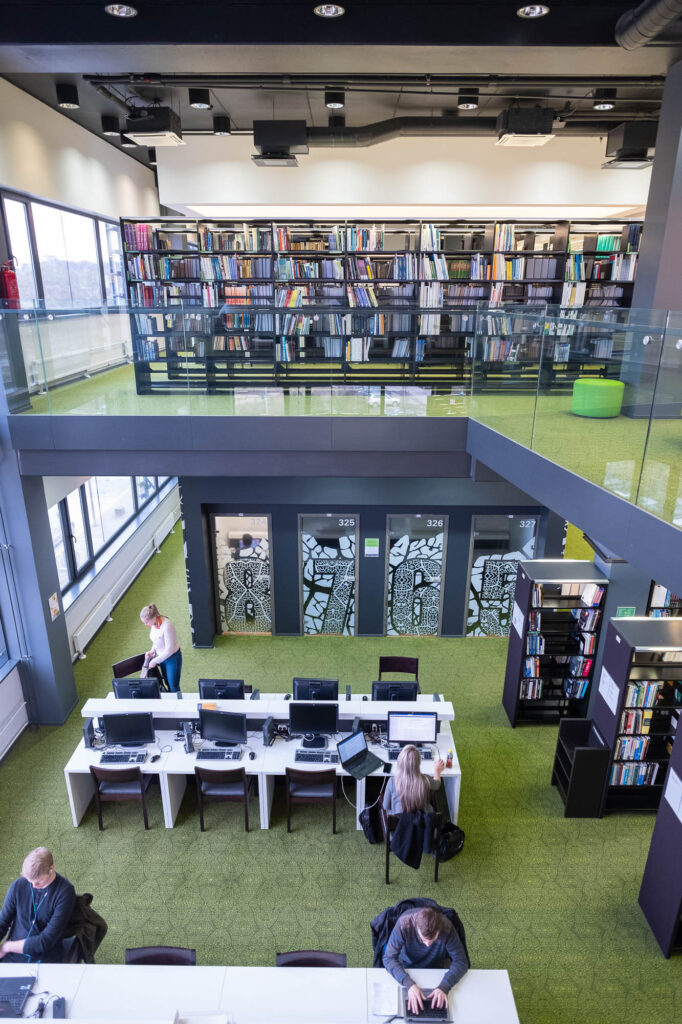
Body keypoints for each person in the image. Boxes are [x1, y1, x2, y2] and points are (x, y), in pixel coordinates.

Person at [383, 906, 469, 1014]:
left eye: (433, 939)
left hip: (436, 967)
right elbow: (389, 958)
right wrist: (408, 984)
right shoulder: (404, 924)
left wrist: (444, 986)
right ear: (416, 928)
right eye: (423, 939)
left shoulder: (446, 928)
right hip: (407, 965)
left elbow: (461, 961)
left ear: (439, 929)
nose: (428, 944)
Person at [0, 848, 76, 964]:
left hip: (45, 957)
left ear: (51, 869)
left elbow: (46, 940)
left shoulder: (65, 892)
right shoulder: (18, 886)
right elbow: (2, 923)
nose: (34, 886)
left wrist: (7, 947)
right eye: (30, 881)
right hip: (14, 956)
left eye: (38, 882)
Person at [383, 744, 445, 815]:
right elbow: (437, 785)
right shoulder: (426, 779)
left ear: (400, 761)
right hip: (422, 822)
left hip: (399, 822)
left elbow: (385, 806)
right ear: (418, 763)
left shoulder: (392, 781)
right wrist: (437, 770)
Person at [140, 603, 182, 692]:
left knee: (173, 686)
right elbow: (156, 640)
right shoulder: (153, 623)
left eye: (146, 622)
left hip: (172, 658)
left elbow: (169, 650)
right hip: (162, 658)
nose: (146, 624)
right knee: (166, 682)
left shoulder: (167, 626)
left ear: (153, 617)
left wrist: (154, 661)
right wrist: (152, 651)